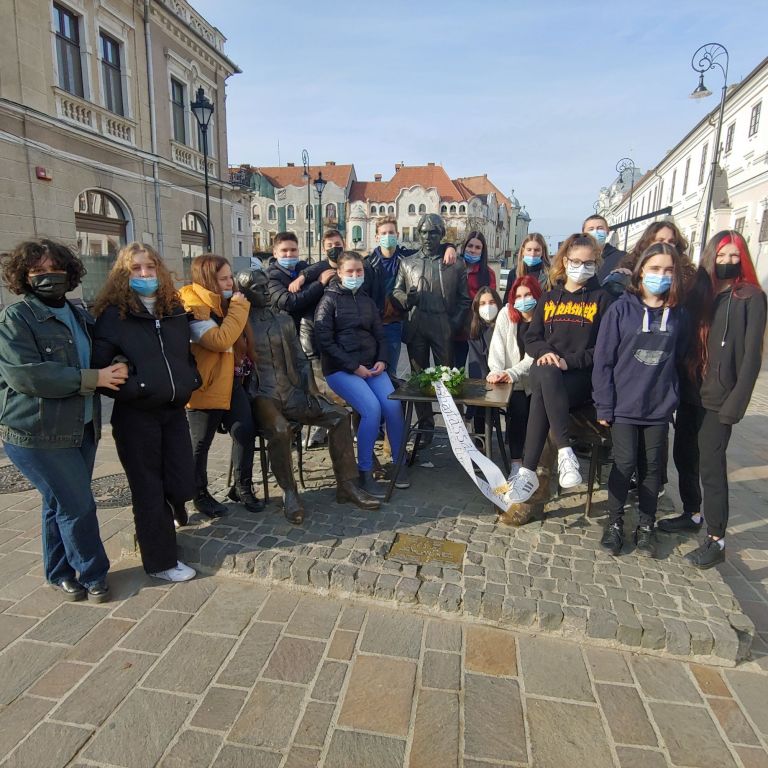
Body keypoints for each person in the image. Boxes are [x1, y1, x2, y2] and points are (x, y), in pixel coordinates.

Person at [0, 239, 126, 601]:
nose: (48, 277)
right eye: (38, 271)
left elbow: (102, 347)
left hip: (81, 427)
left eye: (55, 268)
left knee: (59, 502)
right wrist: (94, 379)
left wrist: (119, 363)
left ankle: (58, 572)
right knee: (78, 504)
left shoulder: (77, 312)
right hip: (37, 432)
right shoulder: (16, 318)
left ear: (69, 272)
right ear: (24, 277)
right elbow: (28, 376)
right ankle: (92, 574)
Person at [236, 268, 381, 522]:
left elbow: (302, 360)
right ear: (245, 293)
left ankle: (347, 485)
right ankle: (290, 493)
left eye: (266, 286)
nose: (266, 292)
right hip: (263, 396)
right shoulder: (239, 323)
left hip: (292, 392)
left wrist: (313, 391)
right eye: (258, 289)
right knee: (280, 430)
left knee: (338, 415)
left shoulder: (283, 320)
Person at [92, 242, 200, 582]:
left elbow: (184, 355)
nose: (144, 274)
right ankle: (161, 562)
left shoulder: (173, 309)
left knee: (183, 479)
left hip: (173, 410)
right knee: (148, 490)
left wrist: (190, 379)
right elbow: (100, 370)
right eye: (135, 269)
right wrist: (136, 386)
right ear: (124, 275)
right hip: (136, 416)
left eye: (150, 267)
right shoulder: (113, 316)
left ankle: (169, 516)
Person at [660, 231, 766, 569]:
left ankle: (716, 538)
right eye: (723, 255)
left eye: (735, 256)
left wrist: (737, 403)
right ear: (711, 257)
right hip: (692, 390)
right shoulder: (700, 292)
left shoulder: (750, 297)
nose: (729, 262)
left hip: (721, 399)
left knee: (711, 467)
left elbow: (752, 357)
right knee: (684, 456)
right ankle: (691, 514)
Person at [592, 243, 688, 558]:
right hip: (622, 406)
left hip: (658, 408)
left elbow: (681, 359)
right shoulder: (621, 309)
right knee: (624, 463)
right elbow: (604, 360)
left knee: (651, 469)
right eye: (655, 268)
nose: (661, 275)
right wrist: (604, 405)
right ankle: (615, 522)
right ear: (642, 270)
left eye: (667, 270)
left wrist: (673, 398)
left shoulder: (678, 314)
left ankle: (646, 523)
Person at [506, 234, 613, 503]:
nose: (581, 267)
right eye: (576, 261)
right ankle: (565, 453)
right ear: (565, 261)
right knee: (545, 371)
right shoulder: (550, 298)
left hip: (580, 378)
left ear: (596, 263)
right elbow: (532, 338)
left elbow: (602, 348)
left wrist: (569, 361)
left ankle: (527, 472)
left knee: (542, 386)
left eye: (588, 262)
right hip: (550, 373)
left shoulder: (602, 299)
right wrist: (547, 353)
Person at [315, 251, 408, 497]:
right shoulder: (328, 301)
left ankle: (397, 463)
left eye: (359, 271)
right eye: (350, 272)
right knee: (371, 410)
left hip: (372, 366)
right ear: (339, 273)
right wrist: (354, 366)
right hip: (341, 369)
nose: (355, 275)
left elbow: (380, 335)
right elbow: (325, 341)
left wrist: (382, 360)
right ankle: (364, 471)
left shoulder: (367, 301)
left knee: (393, 406)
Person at [180, 255, 259, 517]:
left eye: (230, 277)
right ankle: (198, 494)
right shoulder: (192, 303)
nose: (230, 282)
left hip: (233, 380)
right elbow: (219, 340)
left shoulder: (226, 302)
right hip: (205, 384)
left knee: (244, 431)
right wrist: (238, 308)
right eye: (223, 278)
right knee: (200, 444)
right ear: (207, 279)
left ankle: (242, 486)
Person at [392, 214, 471, 441]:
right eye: (424, 232)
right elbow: (396, 291)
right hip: (417, 323)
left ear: (441, 234)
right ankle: (425, 427)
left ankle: (455, 426)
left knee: (447, 378)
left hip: (442, 324)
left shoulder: (455, 264)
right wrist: (408, 298)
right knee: (419, 379)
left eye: (433, 232)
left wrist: (452, 324)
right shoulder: (407, 263)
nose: (428, 237)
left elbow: (465, 299)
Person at [364, 216, 457, 373]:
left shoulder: (405, 258)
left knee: (391, 367)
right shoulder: (368, 263)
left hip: (395, 321)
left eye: (391, 232)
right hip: (375, 322)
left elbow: (430, 249)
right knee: (372, 365)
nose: (388, 236)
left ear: (398, 234)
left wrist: (450, 246)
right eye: (384, 233)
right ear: (377, 237)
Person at [270, 231, 336, 446]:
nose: (289, 254)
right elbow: (289, 302)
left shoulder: (301, 269)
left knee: (314, 386)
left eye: (293, 250)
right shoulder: (271, 276)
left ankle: (315, 429)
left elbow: (321, 266)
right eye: (284, 250)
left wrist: (305, 279)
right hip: (284, 343)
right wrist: (318, 285)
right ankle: (292, 436)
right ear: (275, 252)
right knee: (291, 389)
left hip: (308, 337)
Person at [487, 275, 540, 477]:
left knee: (536, 416)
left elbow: (533, 356)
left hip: (534, 379)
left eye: (527, 294)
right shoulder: (505, 314)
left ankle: (535, 461)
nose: (523, 299)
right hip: (512, 382)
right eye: (518, 296)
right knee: (517, 413)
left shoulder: (543, 317)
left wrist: (511, 373)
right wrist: (496, 370)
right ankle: (516, 461)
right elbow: (497, 346)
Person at [454, 232, 497, 368]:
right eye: (470, 246)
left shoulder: (488, 274)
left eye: (478, 247)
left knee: (477, 373)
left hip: (477, 330)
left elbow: (491, 302)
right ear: (464, 247)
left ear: (482, 251)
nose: (473, 250)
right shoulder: (454, 267)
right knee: (454, 372)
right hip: (456, 330)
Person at [502, 233, 550, 304]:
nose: (532, 254)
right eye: (529, 250)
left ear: (543, 252)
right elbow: (507, 301)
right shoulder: (514, 273)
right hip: (517, 314)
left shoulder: (550, 274)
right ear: (523, 251)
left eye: (537, 250)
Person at [582, 214, 627, 283]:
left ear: (608, 231)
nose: (596, 232)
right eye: (591, 229)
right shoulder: (578, 258)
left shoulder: (622, 257)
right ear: (584, 234)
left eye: (600, 228)